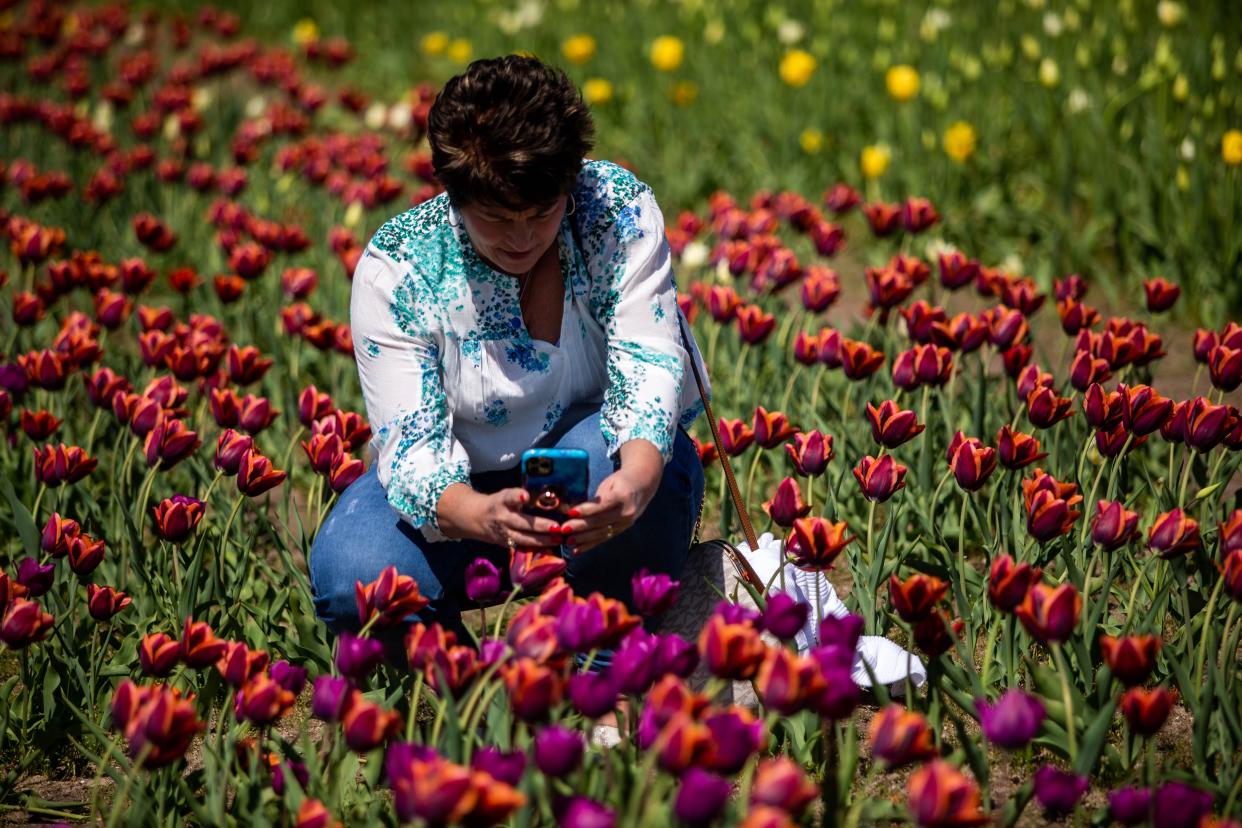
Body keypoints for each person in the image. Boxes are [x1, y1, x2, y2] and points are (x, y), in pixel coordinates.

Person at [309, 55, 710, 665]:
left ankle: (603, 662)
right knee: (355, 572)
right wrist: (483, 516)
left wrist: (636, 483)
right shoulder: (401, 270)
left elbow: (649, 363)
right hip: (464, 492)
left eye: (541, 213)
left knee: (623, 470)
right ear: (452, 192)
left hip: (597, 465)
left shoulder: (615, 212)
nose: (522, 238)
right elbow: (412, 453)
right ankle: (466, 688)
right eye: (495, 217)